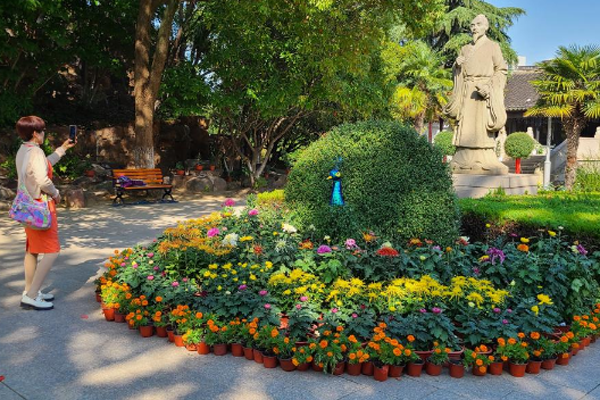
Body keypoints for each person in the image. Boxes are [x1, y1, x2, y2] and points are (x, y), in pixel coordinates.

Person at [15, 116, 76, 310]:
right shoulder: (37, 152)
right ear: (35, 133)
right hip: (41, 207)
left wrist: (62, 149)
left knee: (32, 249)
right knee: (52, 251)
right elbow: (43, 179)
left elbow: (44, 165)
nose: (44, 134)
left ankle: (29, 290)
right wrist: (56, 194)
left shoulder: (24, 149)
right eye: (42, 131)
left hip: (28, 207)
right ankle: (32, 296)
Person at [444, 14, 509, 175]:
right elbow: (458, 71)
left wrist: (489, 87)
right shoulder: (465, 48)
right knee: (465, 123)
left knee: (480, 125)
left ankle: (484, 157)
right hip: (467, 91)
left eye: (478, 24)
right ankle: (462, 156)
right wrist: (457, 66)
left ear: (485, 27)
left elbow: (501, 70)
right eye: (472, 24)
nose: (474, 27)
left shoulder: (493, 46)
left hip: (482, 91)